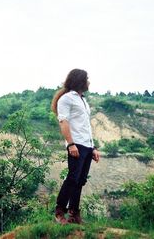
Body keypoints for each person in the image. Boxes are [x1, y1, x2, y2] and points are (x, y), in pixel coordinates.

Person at [51, 68, 101, 225]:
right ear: (80, 80)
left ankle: (74, 214)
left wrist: (92, 147)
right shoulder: (66, 99)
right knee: (73, 178)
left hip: (86, 145)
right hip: (76, 144)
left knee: (80, 180)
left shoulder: (83, 100)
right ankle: (59, 212)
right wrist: (71, 144)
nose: (89, 82)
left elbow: (85, 126)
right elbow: (63, 122)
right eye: (87, 79)